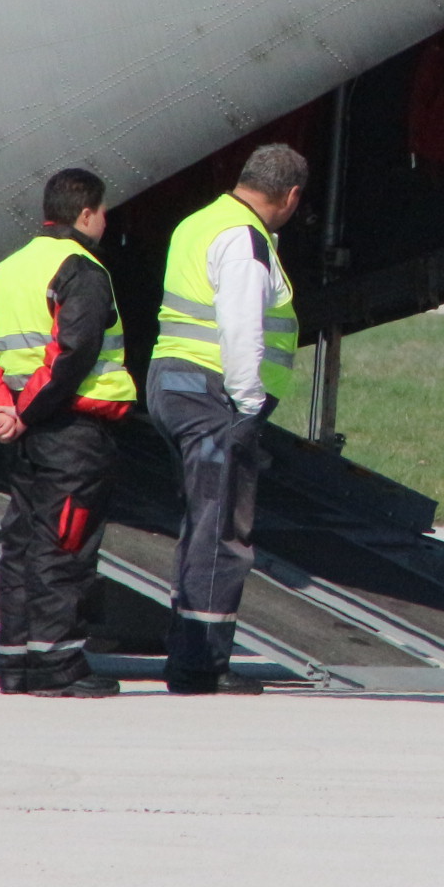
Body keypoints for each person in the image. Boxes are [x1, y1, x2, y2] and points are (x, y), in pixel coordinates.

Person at [0, 167, 135, 698]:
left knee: (21, 544)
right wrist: (28, 411)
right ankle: (58, 665)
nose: (105, 222)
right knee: (63, 546)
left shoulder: (7, 270)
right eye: (103, 211)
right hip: (70, 429)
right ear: (85, 214)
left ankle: (16, 662)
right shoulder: (81, 268)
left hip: (23, 434)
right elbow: (72, 353)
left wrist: (2, 410)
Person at [148, 142, 307, 697]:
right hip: (212, 392)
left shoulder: (199, 222)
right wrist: (249, 402)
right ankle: (200, 667)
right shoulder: (246, 241)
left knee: (201, 523)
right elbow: (242, 328)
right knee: (221, 531)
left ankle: (191, 654)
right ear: (289, 197)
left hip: (173, 381)